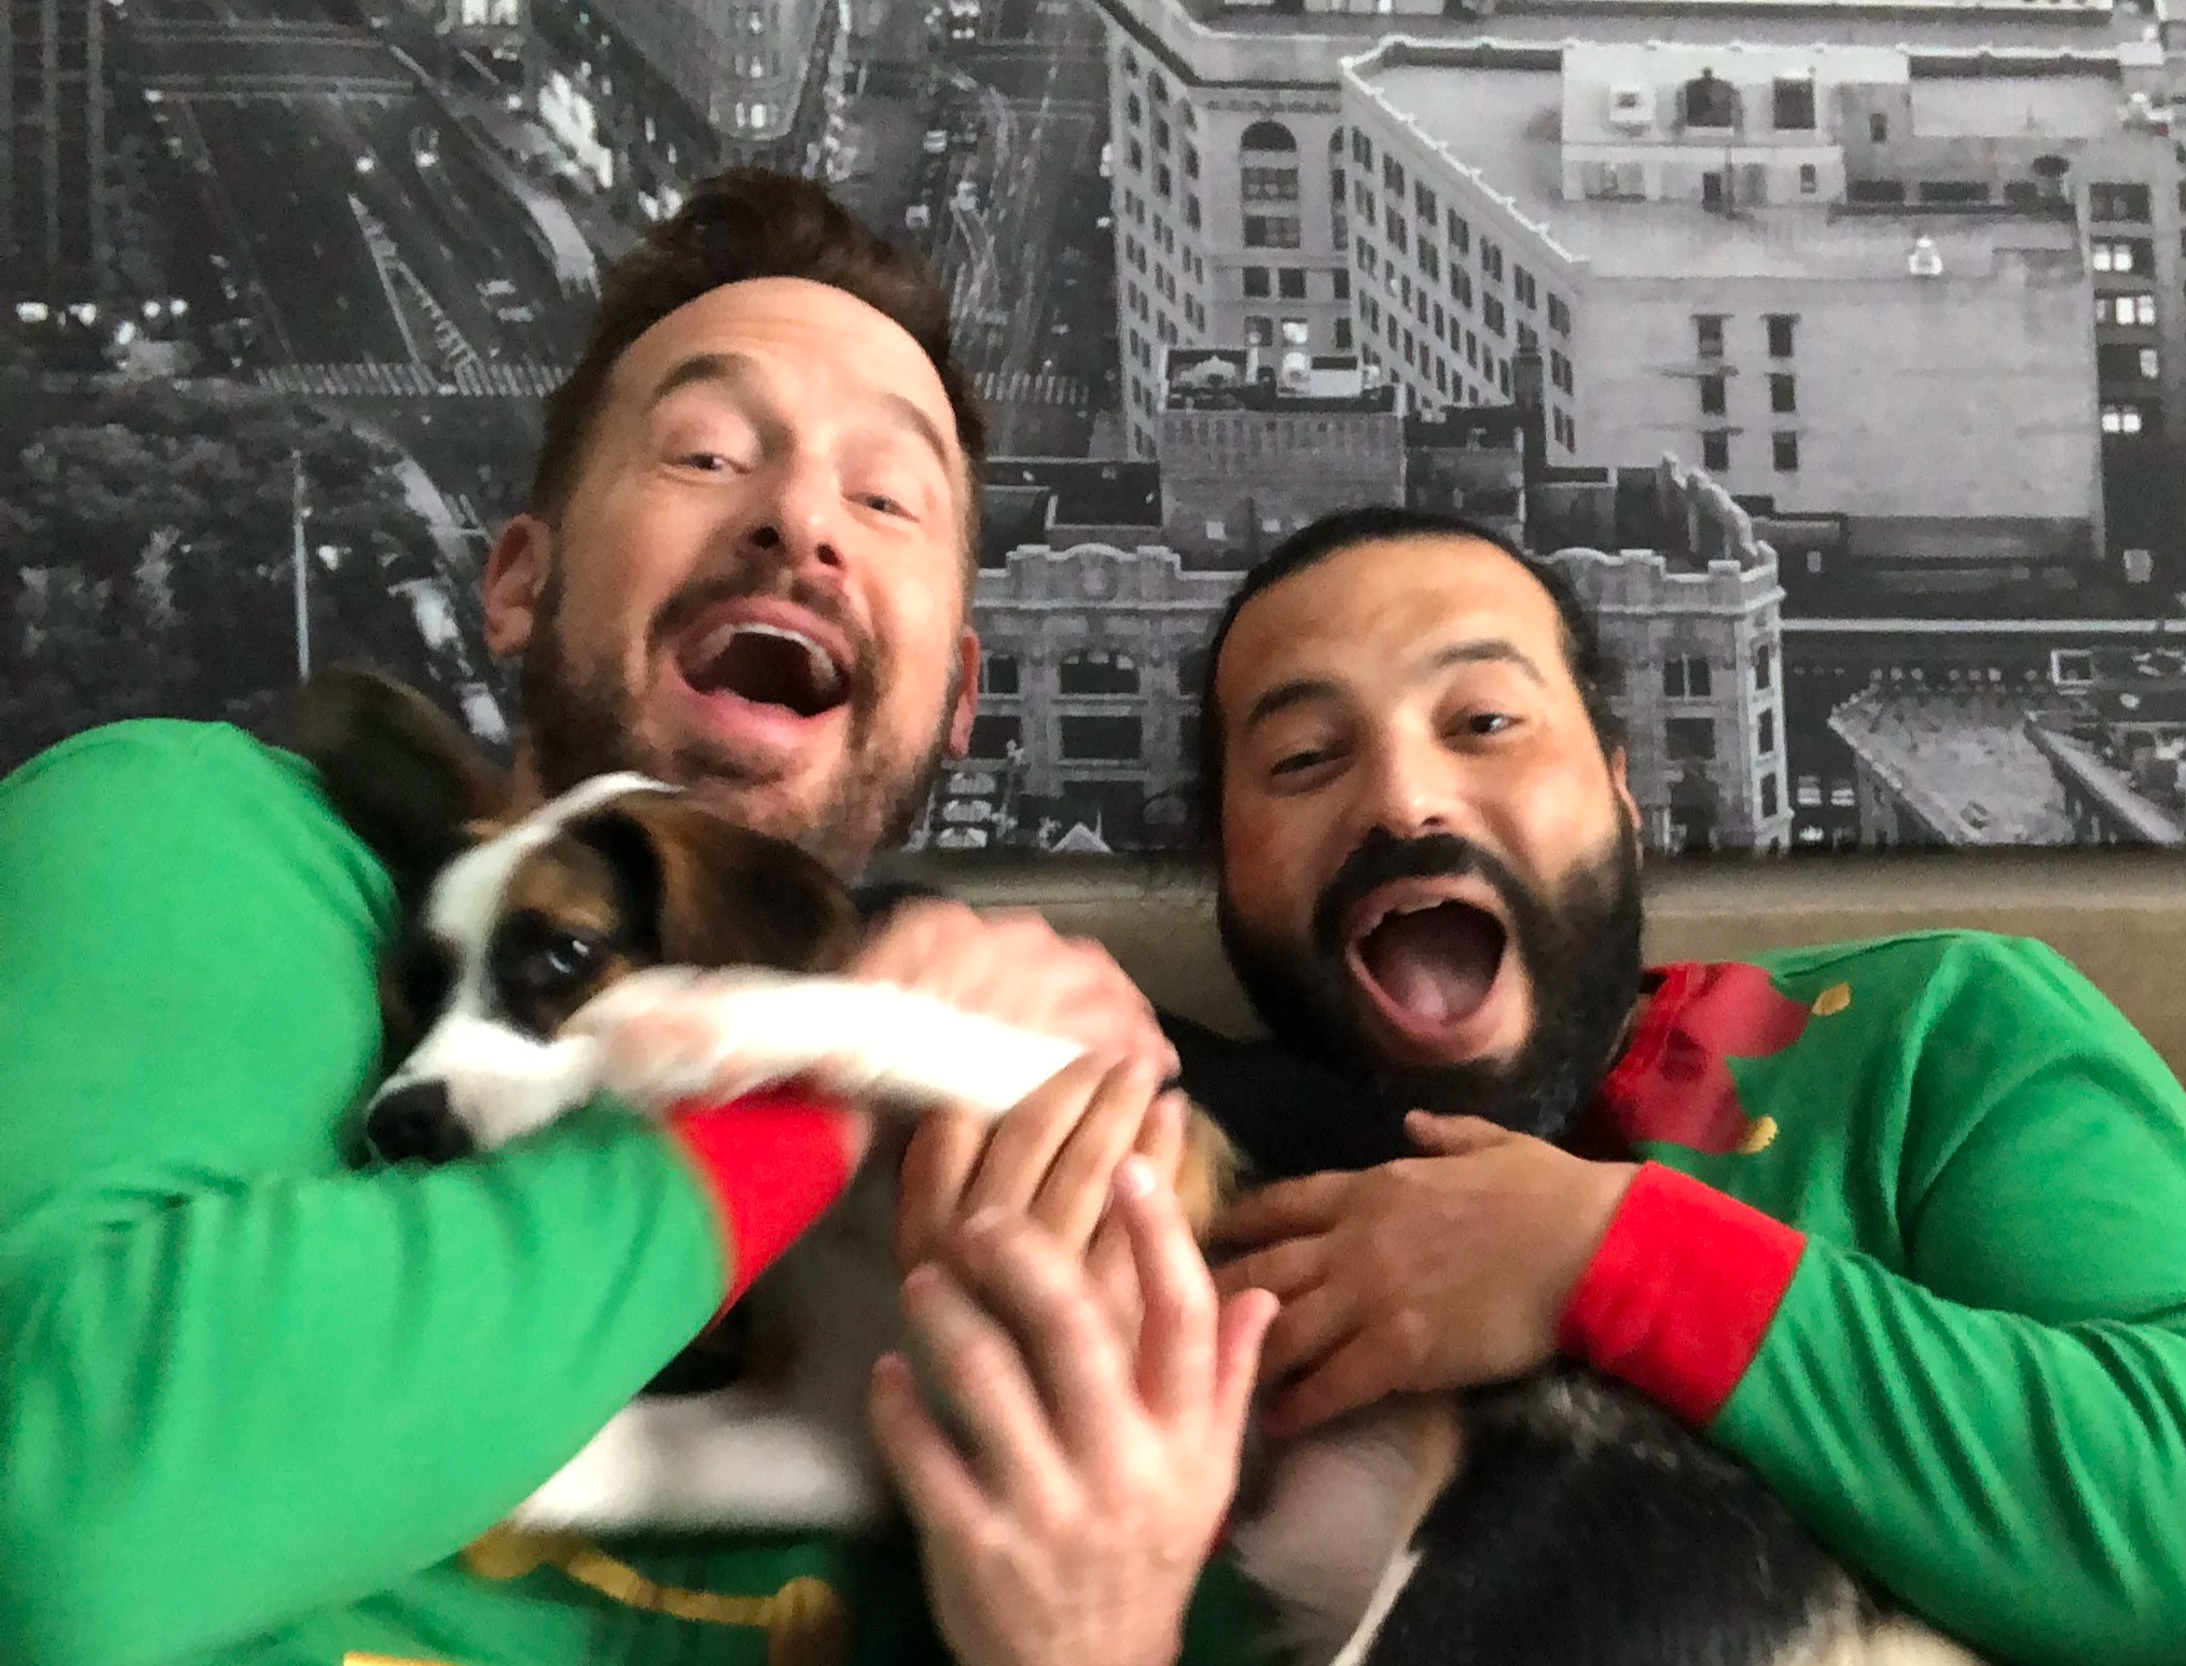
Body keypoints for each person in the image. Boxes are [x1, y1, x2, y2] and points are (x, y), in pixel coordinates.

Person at [0, 170, 1274, 1666]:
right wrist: (810, 1088)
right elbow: (63, 1539)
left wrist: (1091, 1638)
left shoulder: (1024, 1142)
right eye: (708, 450)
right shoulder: (210, 839)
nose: (801, 517)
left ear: (958, 698)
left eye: (886, 496)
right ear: (522, 582)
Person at [1193, 505, 2186, 1666]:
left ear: (1620, 792)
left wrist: (1606, 1259)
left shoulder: (1939, 1032)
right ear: (1223, 863)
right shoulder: (1153, 1196)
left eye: (1486, 719)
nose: (1403, 797)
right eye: (1304, 758)